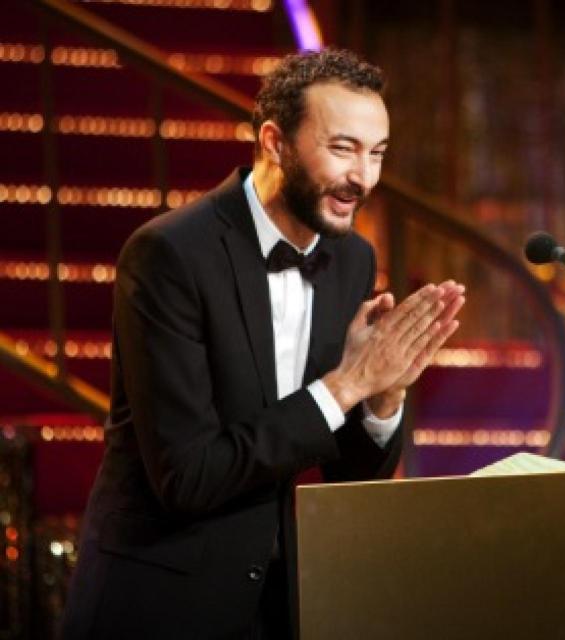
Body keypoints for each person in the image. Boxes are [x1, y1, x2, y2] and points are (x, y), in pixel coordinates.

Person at [61, 49, 465, 640]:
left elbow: (347, 474)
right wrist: (347, 384)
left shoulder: (351, 258)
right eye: (343, 148)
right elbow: (188, 476)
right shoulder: (170, 255)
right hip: (160, 600)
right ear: (275, 142)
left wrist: (382, 399)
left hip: (277, 605)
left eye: (376, 153)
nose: (365, 177)